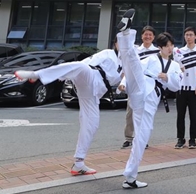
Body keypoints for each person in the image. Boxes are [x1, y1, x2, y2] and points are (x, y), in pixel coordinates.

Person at [15, 34, 123, 177]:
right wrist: (63, 75)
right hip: (89, 76)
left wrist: (122, 85)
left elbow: (125, 78)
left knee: (91, 124)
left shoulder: (126, 64)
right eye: (120, 42)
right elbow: (86, 62)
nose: (123, 46)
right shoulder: (107, 53)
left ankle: (78, 163)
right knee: (80, 66)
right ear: (115, 44)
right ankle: (36, 75)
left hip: (94, 92)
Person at [117, 14, 182, 190]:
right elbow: (132, 71)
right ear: (160, 47)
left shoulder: (175, 66)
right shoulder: (151, 59)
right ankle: (126, 34)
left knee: (142, 136)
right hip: (140, 88)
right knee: (133, 62)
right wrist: (123, 84)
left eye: (171, 46)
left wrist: (167, 77)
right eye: (167, 46)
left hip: (151, 98)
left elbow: (177, 86)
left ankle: (130, 176)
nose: (170, 49)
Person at [121, 25, 159, 150]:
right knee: (130, 113)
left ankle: (142, 138)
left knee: (145, 114)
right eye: (145, 34)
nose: (147, 37)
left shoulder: (157, 52)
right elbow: (128, 66)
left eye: (150, 35)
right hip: (134, 85)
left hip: (148, 87)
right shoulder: (135, 50)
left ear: (153, 37)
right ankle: (129, 138)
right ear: (141, 36)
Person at [173, 27, 196, 149]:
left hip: (194, 88)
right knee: (180, 115)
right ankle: (180, 138)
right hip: (181, 88)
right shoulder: (179, 51)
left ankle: (193, 139)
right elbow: (175, 69)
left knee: (193, 115)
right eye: (186, 35)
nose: (188, 37)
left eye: (191, 35)